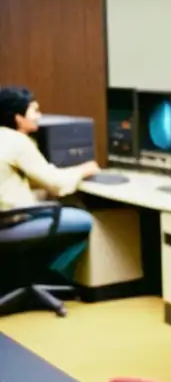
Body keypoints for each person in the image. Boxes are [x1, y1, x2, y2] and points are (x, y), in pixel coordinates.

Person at [0, 86, 98, 279]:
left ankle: (30, 277)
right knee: (87, 220)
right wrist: (85, 169)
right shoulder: (17, 141)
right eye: (34, 110)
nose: (39, 115)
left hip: (3, 218)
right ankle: (50, 275)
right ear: (19, 118)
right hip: (10, 222)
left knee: (60, 202)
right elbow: (57, 184)